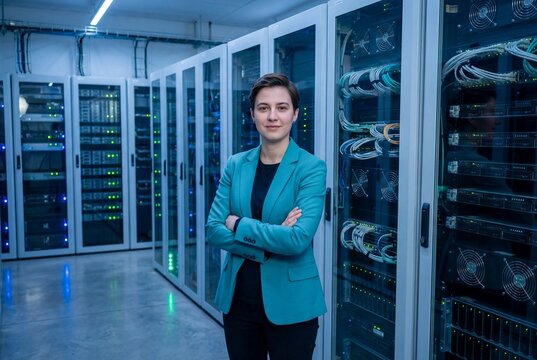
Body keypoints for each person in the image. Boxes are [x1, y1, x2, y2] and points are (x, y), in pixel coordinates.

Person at [205, 73, 326, 360]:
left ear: (295, 115)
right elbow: (213, 229)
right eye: (263, 108)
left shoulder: (311, 168)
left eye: (282, 108)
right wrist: (272, 238)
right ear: (252, 114)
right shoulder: (236, 164)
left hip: (293, 305)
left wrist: (240, 225)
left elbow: (297, 240)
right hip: (238, 302)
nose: (273, 116)